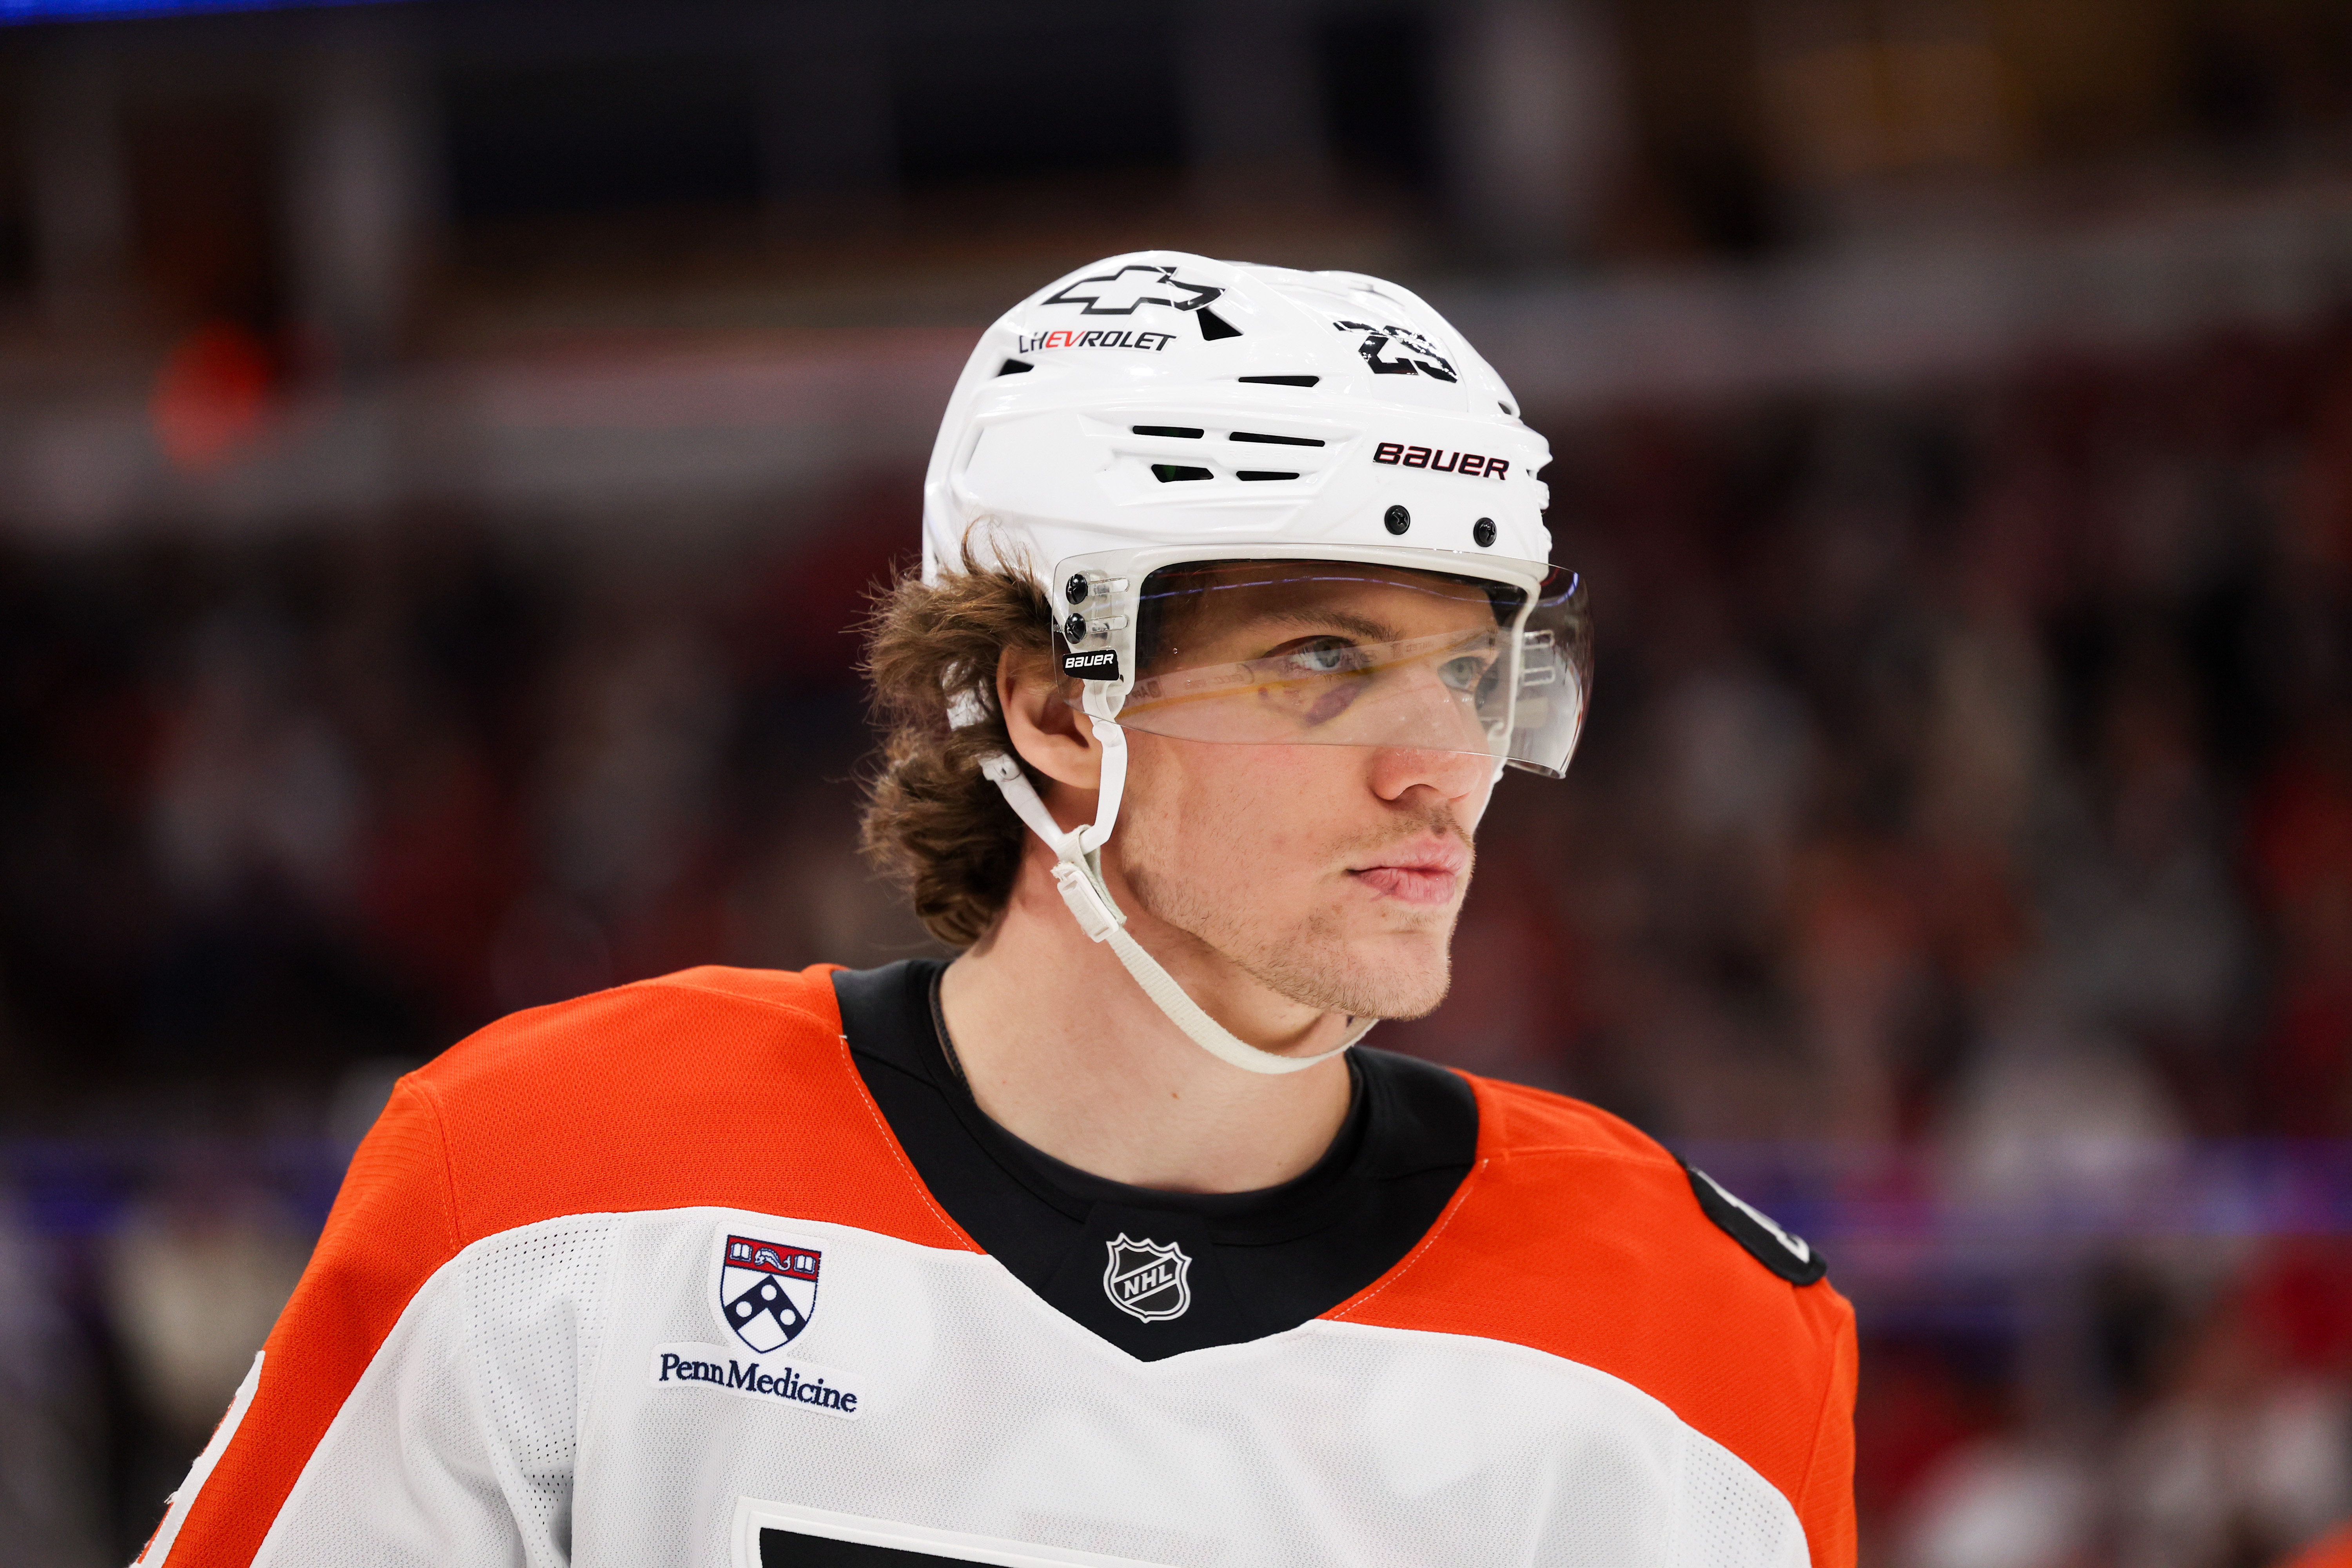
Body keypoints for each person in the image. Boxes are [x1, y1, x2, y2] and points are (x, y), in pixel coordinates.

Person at [136, 252, 1856, 1568]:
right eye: (1323, 659)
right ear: (1052, 708)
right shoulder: (545, 1190)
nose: (1442, 769)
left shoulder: (1698, 1332)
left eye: (1473, 671)